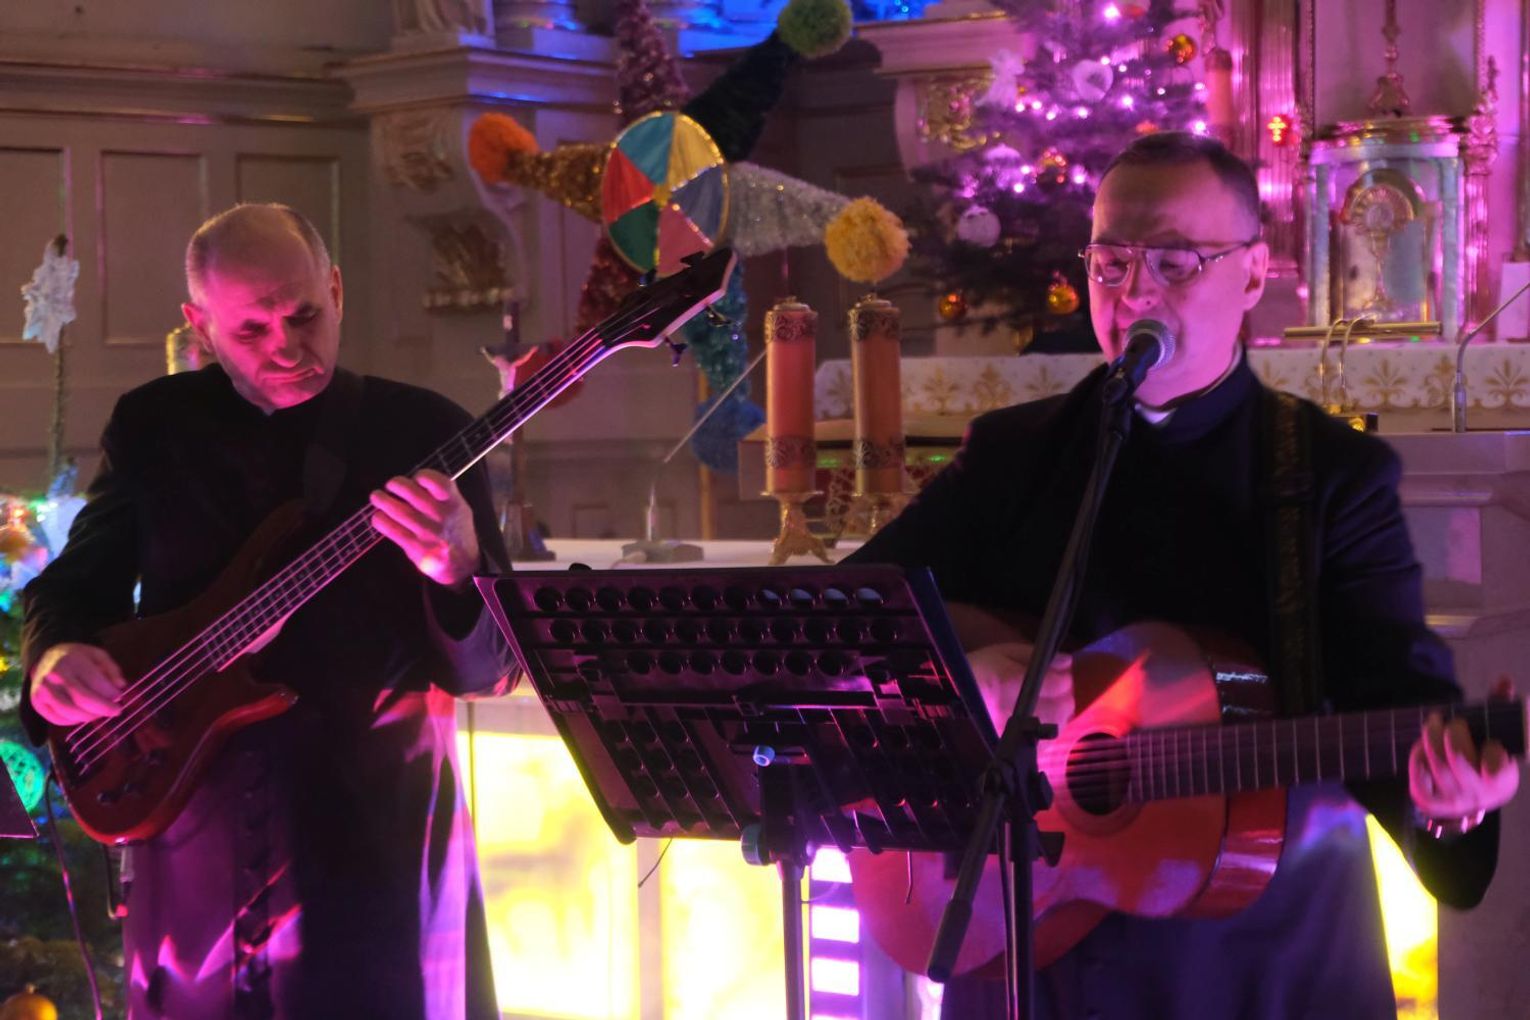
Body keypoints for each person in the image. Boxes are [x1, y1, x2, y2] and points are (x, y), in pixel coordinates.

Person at [849, 133, 1520, 1019]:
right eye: (1110, 262)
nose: (1134, 293)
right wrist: (959, 676)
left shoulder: (1326, 475)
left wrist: (1449, 805)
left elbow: (1397, 699)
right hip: (1033, 940)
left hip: (1259, 954)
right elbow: (844, 616)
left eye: (1174, 262)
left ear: (1252, 274)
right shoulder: (1014, 455)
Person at [21, 204, 516, 1020]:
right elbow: (73, 587)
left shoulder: (425, 430)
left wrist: (457, 568)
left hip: (375, 842)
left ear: (337, 290)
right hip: (192, 827)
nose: (287, 346)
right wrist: (55, 655)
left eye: (305, 315)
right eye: (252, 329)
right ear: (200, 326)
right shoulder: (154, 425)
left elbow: (492, 671)